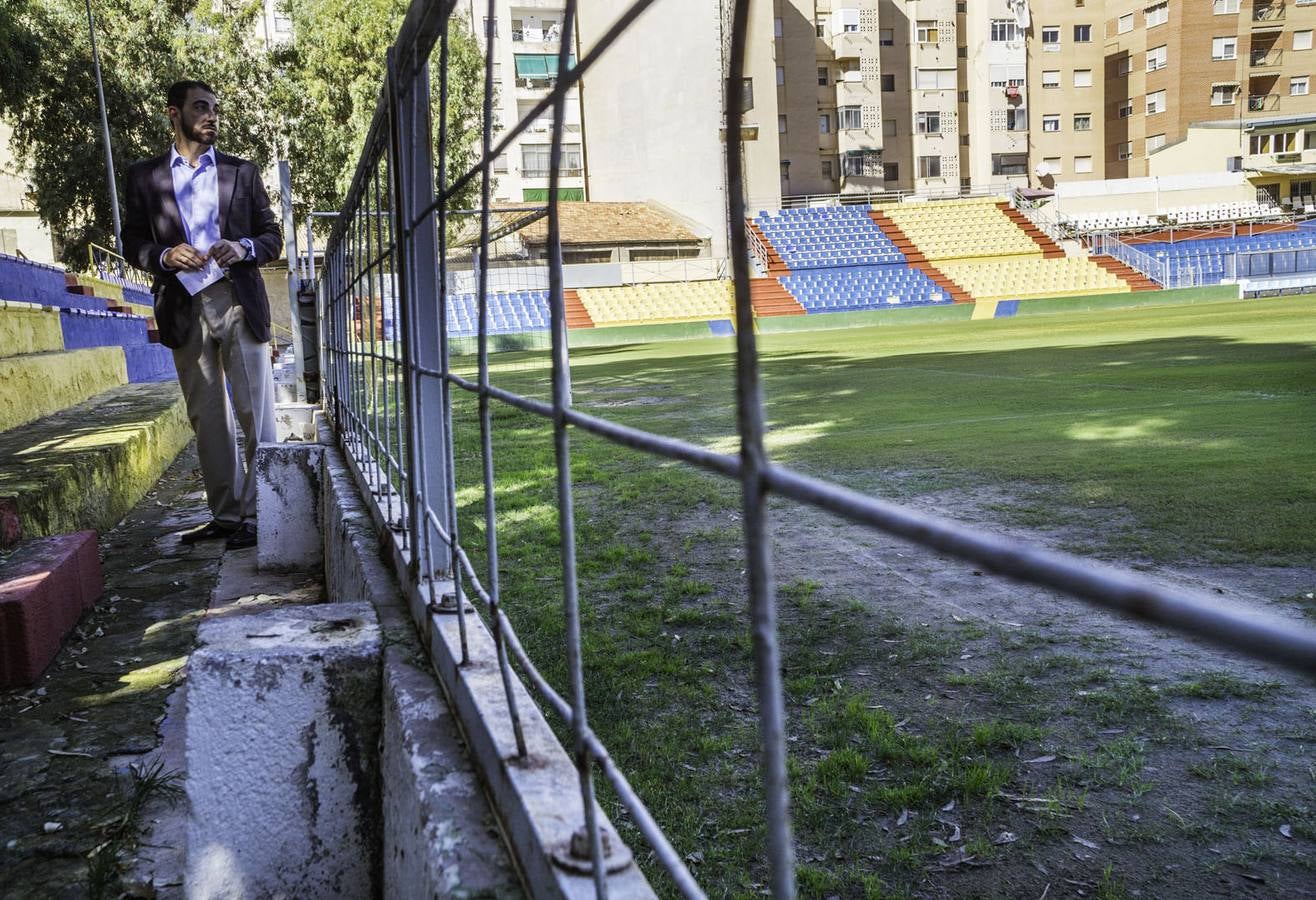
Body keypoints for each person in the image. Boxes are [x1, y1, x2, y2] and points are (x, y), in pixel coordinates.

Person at [122, 80, 282, 550]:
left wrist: (244, 246)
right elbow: (133, 242)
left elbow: (272, 236)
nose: (211, 116)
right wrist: (166, 256)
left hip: (237, 299)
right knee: (207, 417)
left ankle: (260, 514)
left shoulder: (242, 172)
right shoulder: (144, 177)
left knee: (257, 413)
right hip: (182, 306)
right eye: (201, 108)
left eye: (215, 108)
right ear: (174, 114)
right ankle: (227, 516)